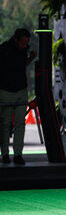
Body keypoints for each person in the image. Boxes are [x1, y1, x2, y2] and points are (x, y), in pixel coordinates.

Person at [0, 28, 37, 165]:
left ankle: (17, 154)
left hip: (20, 89)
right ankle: (5, 153)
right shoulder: (4, 50)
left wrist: (30, 58)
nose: (25, 45)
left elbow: (22, 65)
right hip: (7, 90)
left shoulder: (22, 49)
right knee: (6, 124)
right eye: (23, 43)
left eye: (26, 43)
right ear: (16, 40)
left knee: (20, 123)